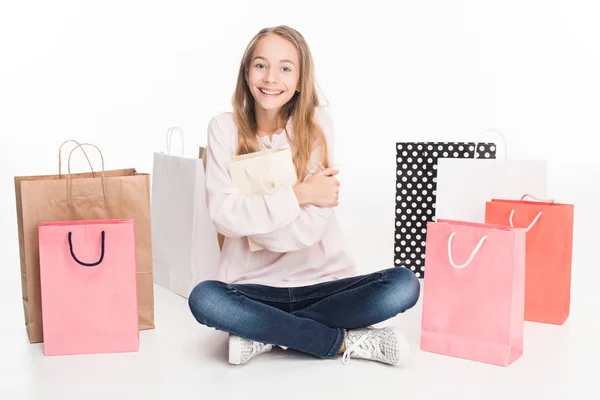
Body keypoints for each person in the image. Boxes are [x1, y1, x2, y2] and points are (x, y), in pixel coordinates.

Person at [188, 25, 420, 366]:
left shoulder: (316, 125)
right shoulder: (224, 128)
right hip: (253, 288)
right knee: (205, 298)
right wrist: (300, 194)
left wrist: (250, 216)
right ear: (246, 72)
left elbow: (307, 231)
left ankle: (266, 335)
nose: (271, 78)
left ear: (299, 80)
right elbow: (224, 217)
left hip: (322, 284)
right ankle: (338, 341)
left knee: (404, 284)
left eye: (285, 68)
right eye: (260, 65)